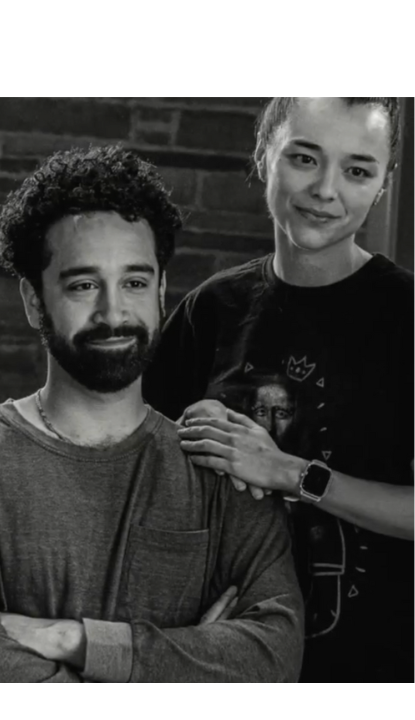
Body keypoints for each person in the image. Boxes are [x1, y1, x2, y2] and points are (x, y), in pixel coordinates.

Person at [0, 145, 304, 682]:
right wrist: (187, 670)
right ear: (34, 300)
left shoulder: (224, 470)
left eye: (134, 282)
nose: (113, 312)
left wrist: (80, 641)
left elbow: (273, 661)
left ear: (160, 291)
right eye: (84, 285)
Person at [144, 97, 414, 682]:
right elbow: (145, 490)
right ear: (265, 155)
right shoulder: (211, 311)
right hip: (224, 668)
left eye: (357, 170)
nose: (325, 189)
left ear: (384, 184)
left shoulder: (407, 318)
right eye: (305, 157)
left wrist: (293, 473)